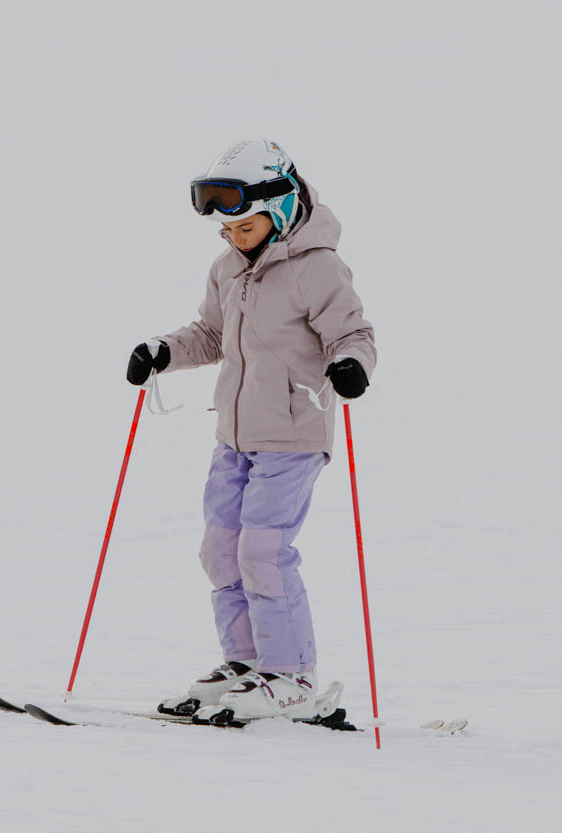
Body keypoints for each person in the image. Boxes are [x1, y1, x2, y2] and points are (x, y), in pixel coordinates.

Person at [126, 138, 377, 724]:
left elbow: (353, 334)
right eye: (226, 230)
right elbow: (211, 335)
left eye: (244, 227)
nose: (233, 238)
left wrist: (352, 367)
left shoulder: (317, 269)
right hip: (234, 436)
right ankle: (246, 665)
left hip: (292, 437)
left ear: (282, 208)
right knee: (221, 550)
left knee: (263, 550)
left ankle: (290, 674)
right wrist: (163, 350)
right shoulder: (227, 270)